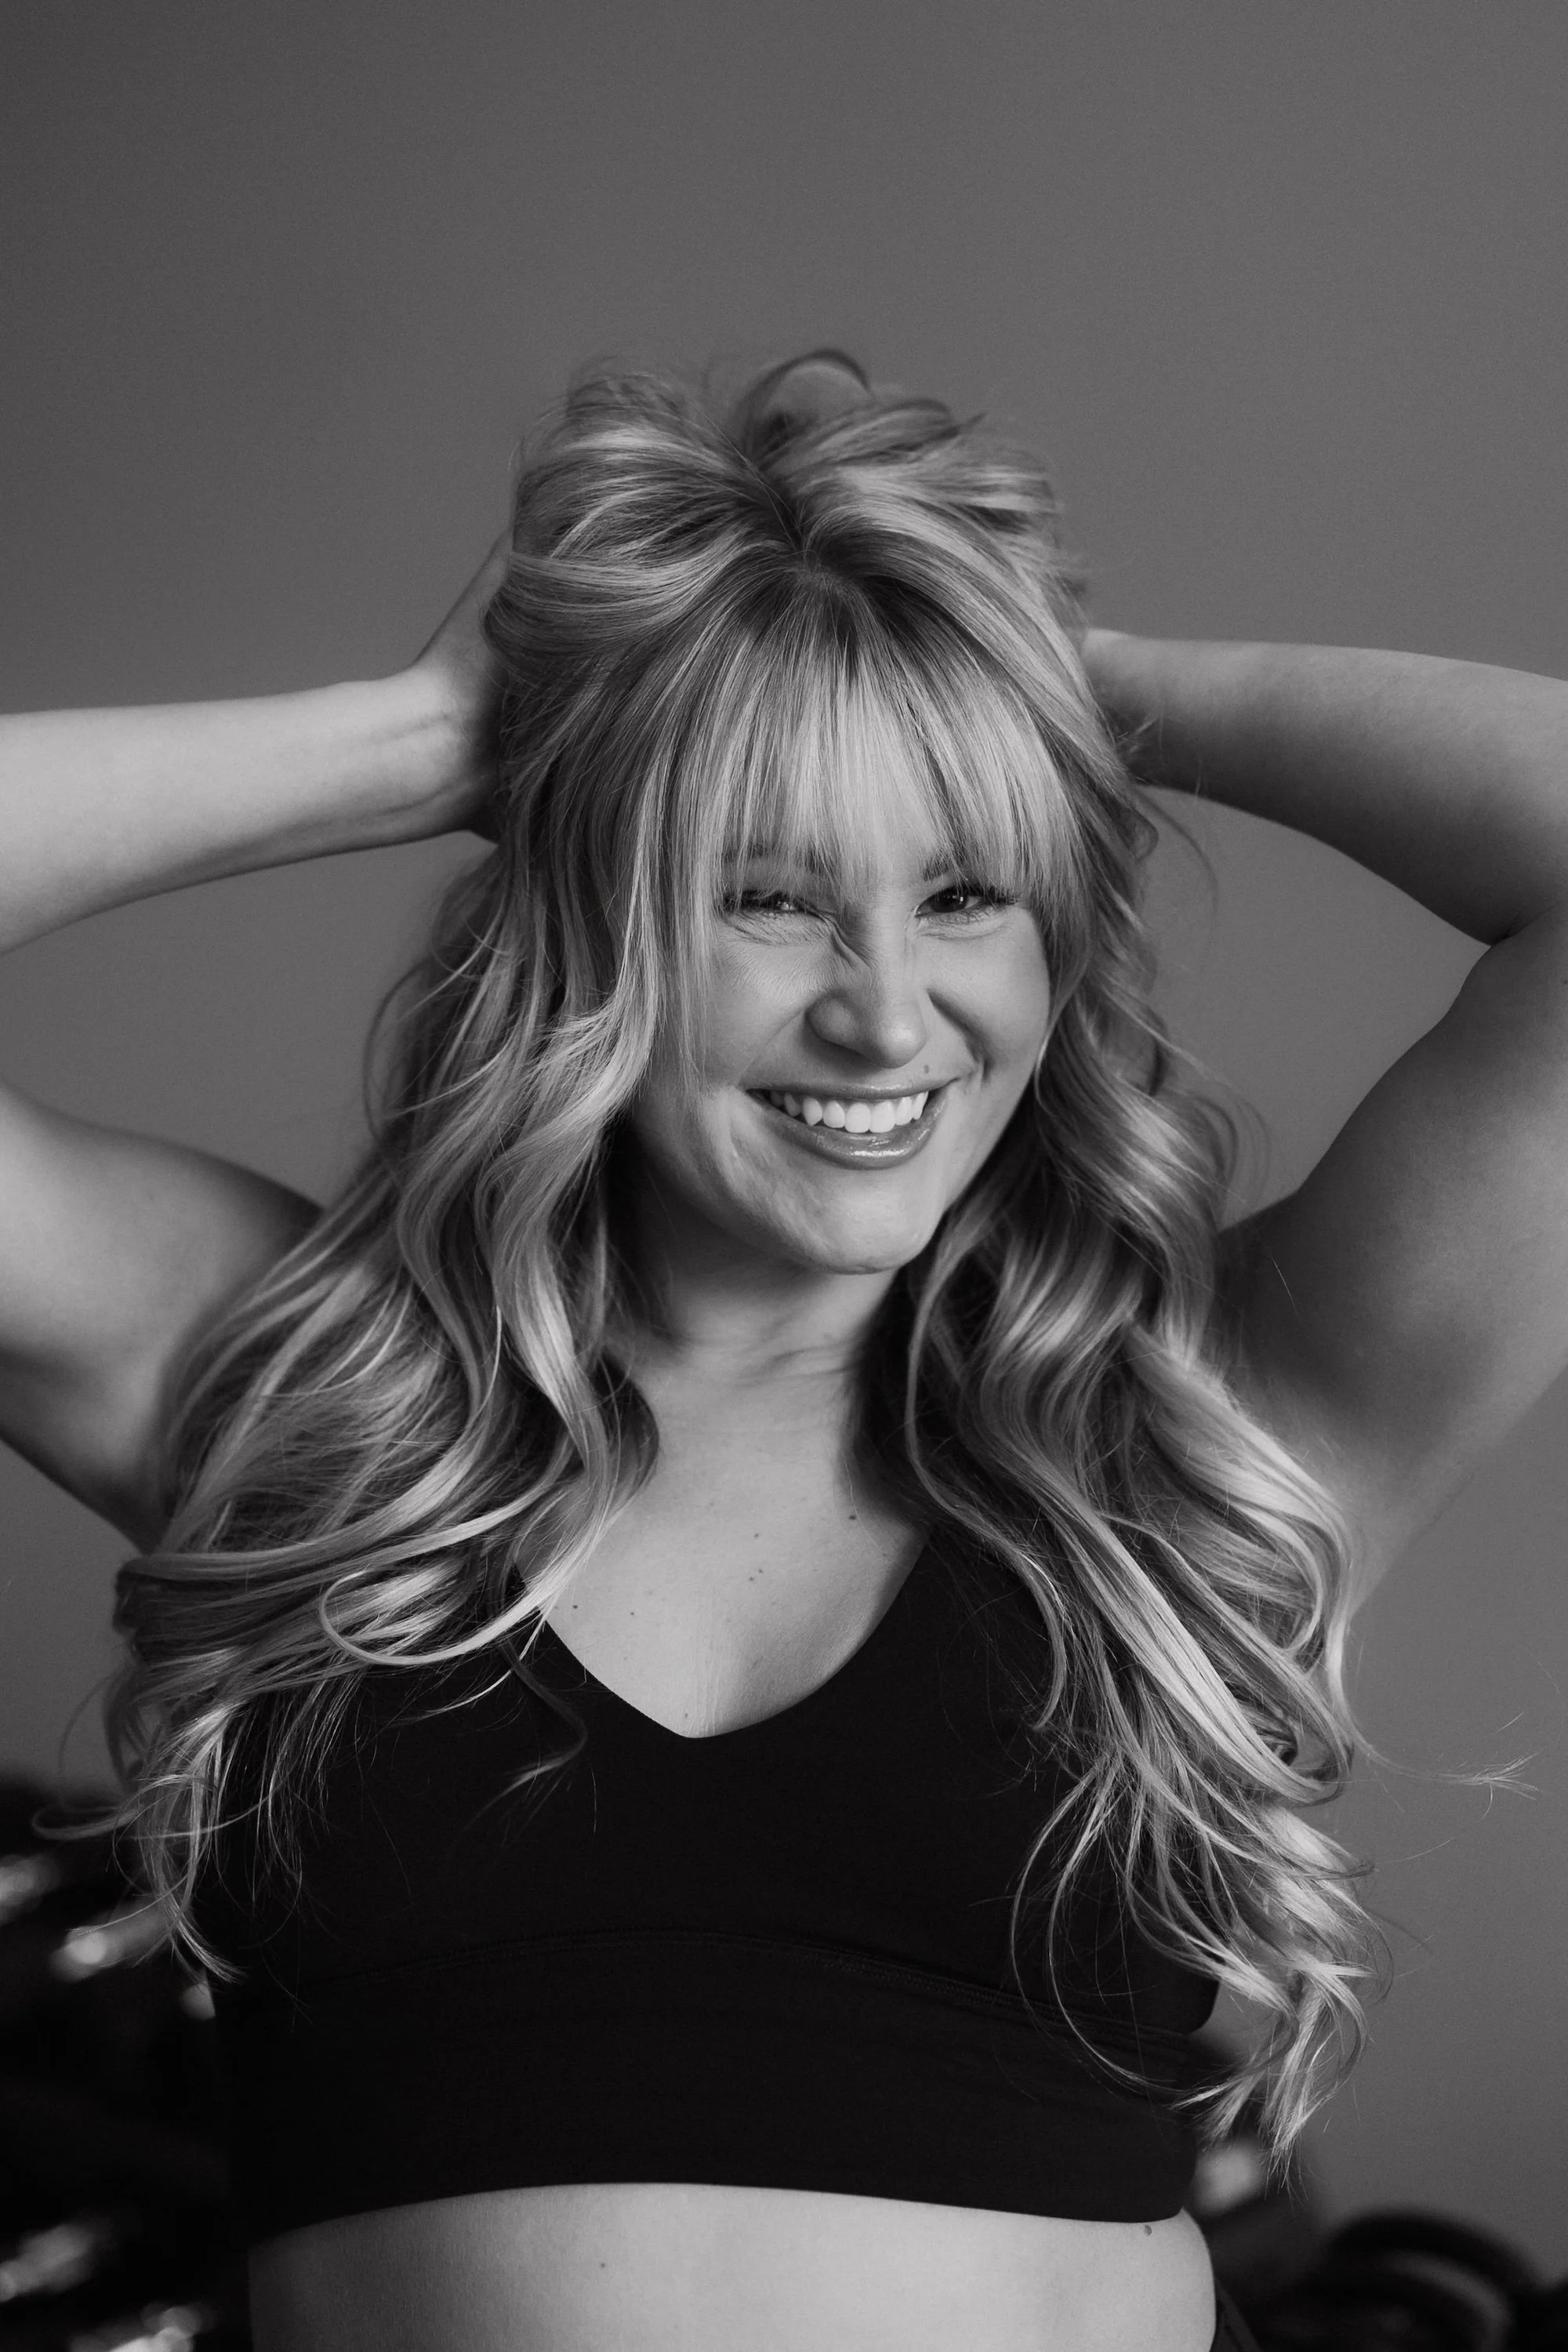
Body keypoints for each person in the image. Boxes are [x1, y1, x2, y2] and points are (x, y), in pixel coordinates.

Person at [2, 349, 1565, 2352]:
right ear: (592, 937)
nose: (887, 1015)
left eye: (962, 891)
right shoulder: (313, 1405)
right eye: (768, 897)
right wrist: (418, 741)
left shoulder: (1205, 1430)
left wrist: (1024, 689)